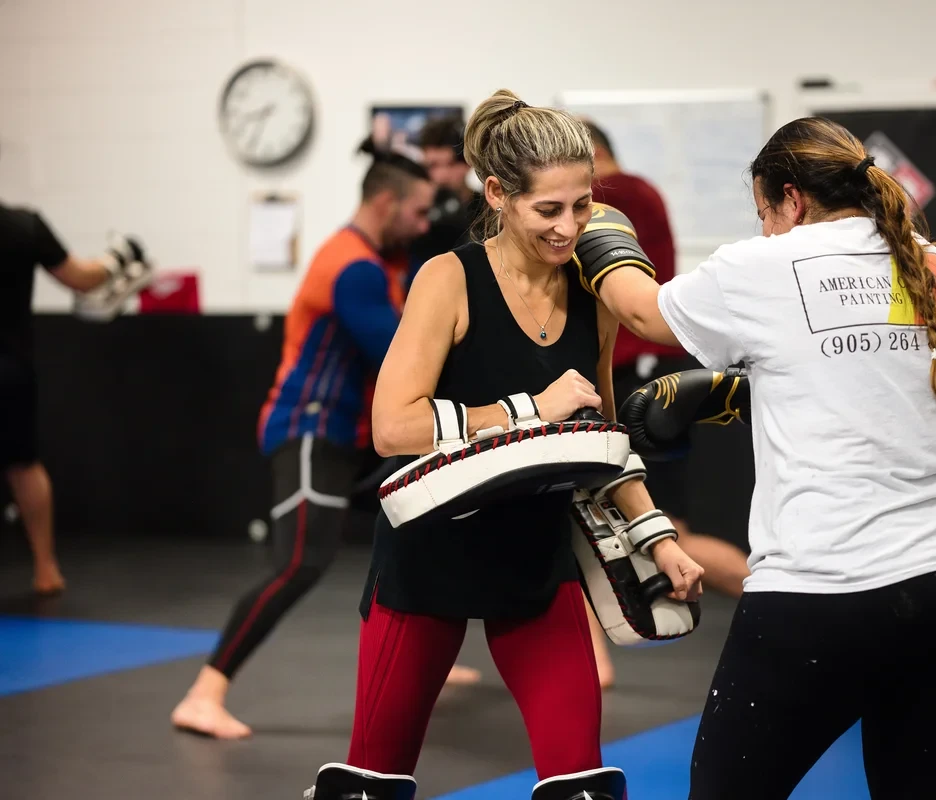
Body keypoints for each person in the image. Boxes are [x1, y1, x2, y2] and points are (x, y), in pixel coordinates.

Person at [577, 116, 936, 799]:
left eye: (763, 214)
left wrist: (599, 225)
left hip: (835, 587)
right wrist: (747, 390)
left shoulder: (768, 263)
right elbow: (882, 380)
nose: (762, 231)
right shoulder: (929, 260)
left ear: (792, 199)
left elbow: (640, 312)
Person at [333, 89, 703, 796]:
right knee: (368, 788)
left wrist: (658, 537)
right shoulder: (449, 278)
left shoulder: (591, 292)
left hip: (536, 561)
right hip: (427, 563)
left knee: (583, 788)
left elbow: (598, 434)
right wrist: (531, 407)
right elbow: (393, 426)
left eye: (583, 205)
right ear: (498, 193)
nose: (571, 228)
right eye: (549, 210)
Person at [170, 142, 455, 740]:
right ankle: (205, 691)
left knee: (422, 528)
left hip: (353, 437)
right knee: (300, 562)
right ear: (386, 202)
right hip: (310, 431)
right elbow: (400, 351)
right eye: (420, 211)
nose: (425, 225)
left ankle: (426, 654)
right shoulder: (353, 267)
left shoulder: (382, 260)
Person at [584, 119, 752, 601]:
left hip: (644, 372)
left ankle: (773, 598)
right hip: (643, 368)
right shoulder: (637, 194)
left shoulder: (622, 194)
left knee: (669, 528)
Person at [1, 202, 147, 595]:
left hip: (12, 369)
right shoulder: (22, 225)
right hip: (11, 370)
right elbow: (83, 278)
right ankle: (46, 570)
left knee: (24, 466)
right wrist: (120, 256)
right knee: (23, 466)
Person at [404, 114, 486, 294]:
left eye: (448, 164)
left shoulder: (488, 211)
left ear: (467, 163)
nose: (440, 176)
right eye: (432, 166)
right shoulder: (415, 216)